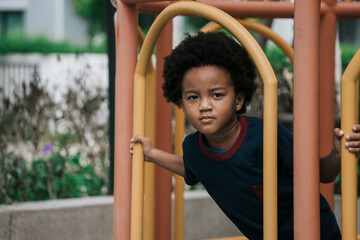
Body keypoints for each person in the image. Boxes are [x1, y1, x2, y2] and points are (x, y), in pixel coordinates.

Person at [129, 32, 360, 240]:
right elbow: (189, 167)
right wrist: (151, 153)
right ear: (180, 103)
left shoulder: (265, 135)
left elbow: (321, 174)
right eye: (193, 98)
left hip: (316, 233)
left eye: (217, 95)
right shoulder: (194, 149)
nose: (204, 106)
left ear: (238, 100)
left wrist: (337, 155)